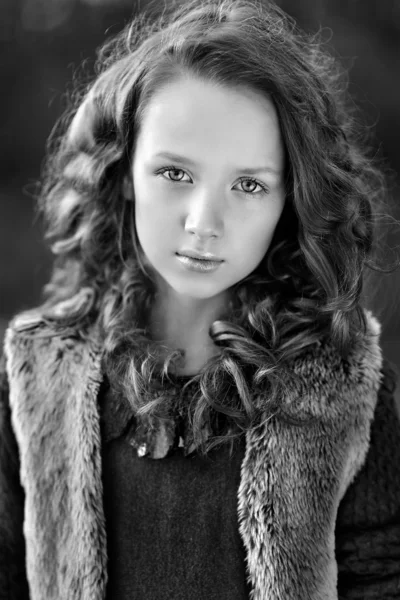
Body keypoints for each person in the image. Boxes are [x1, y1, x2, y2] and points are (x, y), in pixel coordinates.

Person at [1, 0, 400, 597]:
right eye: (175, 174)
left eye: (248, 185)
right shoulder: (34, 372)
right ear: (124, 171)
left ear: (290, 199)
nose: (203, 222)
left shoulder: (347, 386)